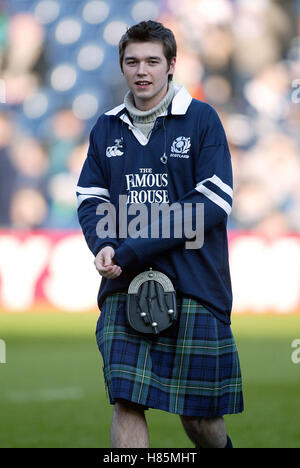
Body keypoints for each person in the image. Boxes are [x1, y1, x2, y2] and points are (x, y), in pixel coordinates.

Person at [77, 20, 243, 448]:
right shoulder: (106, 127)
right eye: (132, 62)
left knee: (201, 421)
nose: (142, 71)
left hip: (196, 285)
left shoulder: (202, 119)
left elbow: (209, 205)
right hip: (124, 289)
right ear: (122, 67)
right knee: (126, 401)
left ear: (172, 65)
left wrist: (131, 247)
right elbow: (91, 199)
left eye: (152, 60)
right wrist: (104, 244)